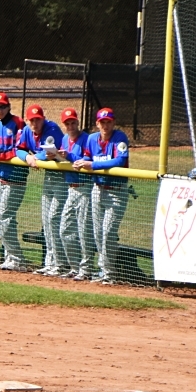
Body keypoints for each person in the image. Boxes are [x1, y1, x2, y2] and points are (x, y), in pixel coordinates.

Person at [75, 107, 131, 284]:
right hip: (97, 189)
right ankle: (103, 271)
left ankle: (108, 273)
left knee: (107, 232)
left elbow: (120, 161)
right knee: (98, 233)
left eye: (108, 122)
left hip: (116, 191)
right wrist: (79, 161)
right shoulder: (92, 139)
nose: (105, 125)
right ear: (97, 123)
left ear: (113, 123)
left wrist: (93, 166)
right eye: (102, 122)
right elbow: (86, 157)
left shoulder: (119, 137)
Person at [16, 105, 71, 276]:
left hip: (62, 176)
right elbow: (18, 149)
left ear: (43, 119)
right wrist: (27, 156)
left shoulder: (51, 129)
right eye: (32, 120)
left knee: (55, 219)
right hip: (49, 177)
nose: (35, 123)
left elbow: (48, 153)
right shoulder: (26, 130)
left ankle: (60, 263)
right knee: (47, 219)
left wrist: (34, 157)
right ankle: (51, 262)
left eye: (37, 119)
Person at [0, 92, 29, 271]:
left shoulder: (19, 123)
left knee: (2, 217)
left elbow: (18, 149)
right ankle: (10, 258)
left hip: (16, 178)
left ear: (9, 106)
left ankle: (16, 258)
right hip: (1, 176)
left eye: (2, 107)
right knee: (6, 219)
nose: (0, 110)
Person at [56, 108, 94, 280]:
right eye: (67, 123)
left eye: (73, 122)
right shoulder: (64, 139)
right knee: (65, 228)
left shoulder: (87, 139)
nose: (70, 126)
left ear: (77, 122)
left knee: (84, 230)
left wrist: (68, 156)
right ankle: (74, 266)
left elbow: (83, 160)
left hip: (85, 187)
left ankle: (85, 270)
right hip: (70, 187)